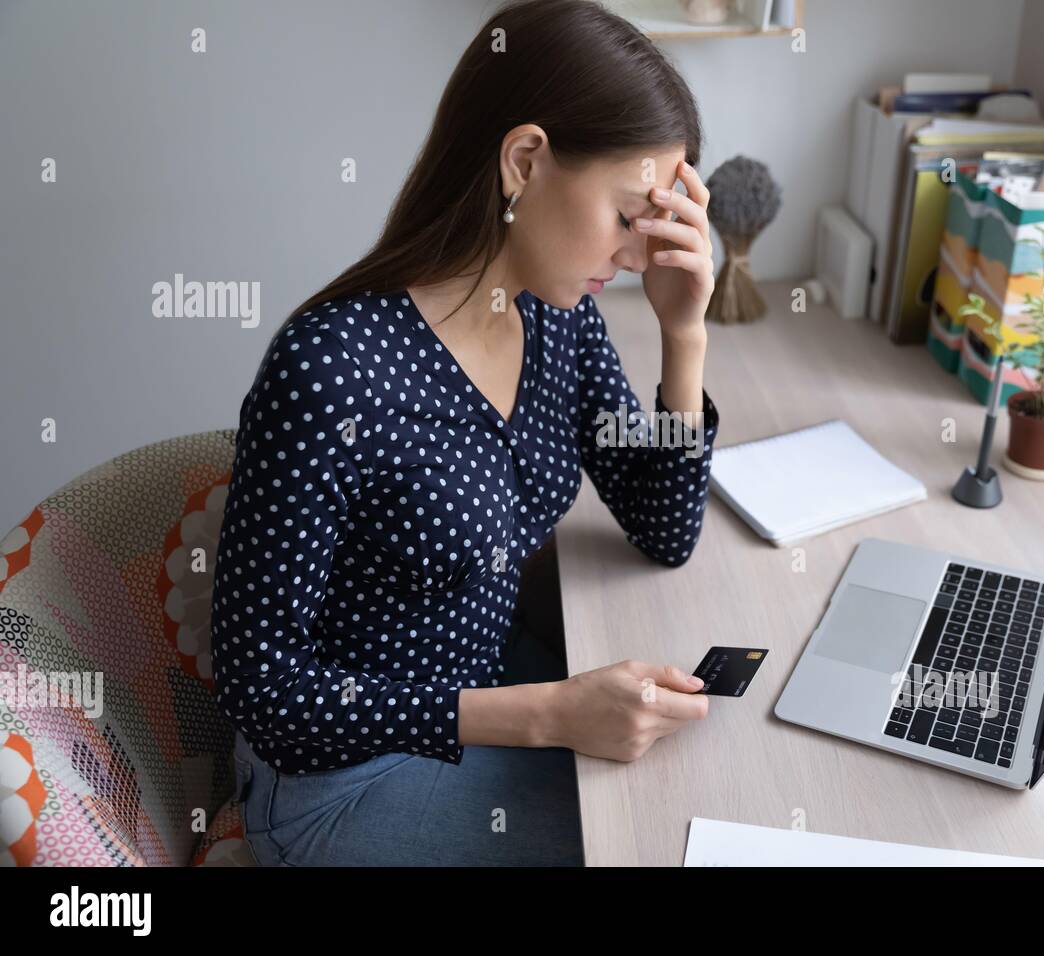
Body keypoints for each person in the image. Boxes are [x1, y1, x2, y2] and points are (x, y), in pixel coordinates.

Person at [210, 0, 720, 866]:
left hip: (489, 699)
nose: (640, 254)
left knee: (689, 786)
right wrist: (549, 714)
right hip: (341, 781)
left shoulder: (559, 318)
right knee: (656, 844)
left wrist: (684, 335)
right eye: (632, 215)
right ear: (525, 161)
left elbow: (664, 530)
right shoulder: (332, 370)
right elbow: (263, 691)